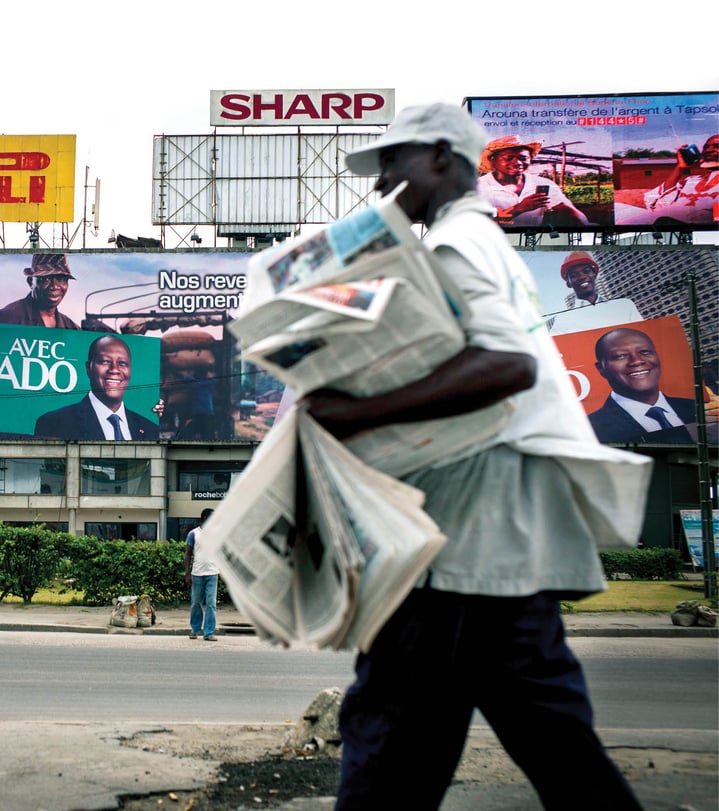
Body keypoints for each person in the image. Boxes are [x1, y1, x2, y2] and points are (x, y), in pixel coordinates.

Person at [301, 103, 646, 810]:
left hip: (456, 548)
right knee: (554, 751)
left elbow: (506, 364)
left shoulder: (452, 245)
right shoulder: (485, 244)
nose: (379, 187)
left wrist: (356, 411)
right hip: (500, 546)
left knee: (389, 749)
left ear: (436, 156)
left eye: (389, 165)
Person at [0, 254, 83, 439]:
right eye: (45, 279)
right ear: (30, 281)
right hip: (8, 433)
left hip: (50, 435)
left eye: (61, 279)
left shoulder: (71, 329)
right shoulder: (4, 320)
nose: (55, 286)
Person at [587, 327, 716, 444]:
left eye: (644, 352)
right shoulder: (589, 429)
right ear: (601, 368)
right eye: (620, 356)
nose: (637, 361)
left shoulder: (699, 407)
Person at [32, 335, 159, 440]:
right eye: (105, 361)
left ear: (130, 370)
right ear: (89, 368)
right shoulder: (54, 423)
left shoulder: (150, 429)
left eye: (122, 363)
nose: (114, 370)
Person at [476, 135, 591, 227]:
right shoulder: (477, 187)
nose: (517, 163)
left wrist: (586, 225)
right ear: (493, 160)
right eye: (509, 158)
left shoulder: (543, 184)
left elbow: (567, 210)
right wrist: (519, 208)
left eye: (523, 158)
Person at [545, 251, 643, 336]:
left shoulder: (625, 306)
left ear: (594, 274)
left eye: (586, 271)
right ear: (568, 283)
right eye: (574, 275)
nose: (582, 277)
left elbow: (644, 336)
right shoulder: (562, 321)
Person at [640, 135, 719, 226]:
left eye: (717, 146)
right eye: (706, 147)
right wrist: (680, 168)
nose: (708, 150)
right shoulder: (691, 181)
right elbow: (659, 202)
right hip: (662, 221)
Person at [184, 508, 218, 642]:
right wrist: (187, 574)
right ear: (204, 518)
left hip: (212, 572)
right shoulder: (193, 534)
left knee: (211, 603)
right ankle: (195, 629)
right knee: (196, 602)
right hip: (197, 573)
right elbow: (188, 554)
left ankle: (209, 633)